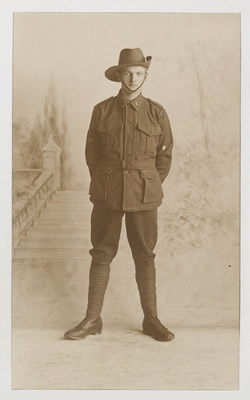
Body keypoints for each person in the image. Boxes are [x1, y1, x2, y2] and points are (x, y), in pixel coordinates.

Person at [64, 48, 174, 341]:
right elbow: (92, 154)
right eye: (128, 73)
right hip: (108, 191)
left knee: (145, 256)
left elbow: (164, 157)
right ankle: (92, 319)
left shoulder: (157, 112)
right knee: (101, 254)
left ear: (145, 76)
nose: (133, 78)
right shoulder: (102, 110)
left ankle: (151, 319)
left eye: (139, 73)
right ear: (119, 76)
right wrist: (105, 181)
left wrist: (148, 182)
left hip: (144, 192)